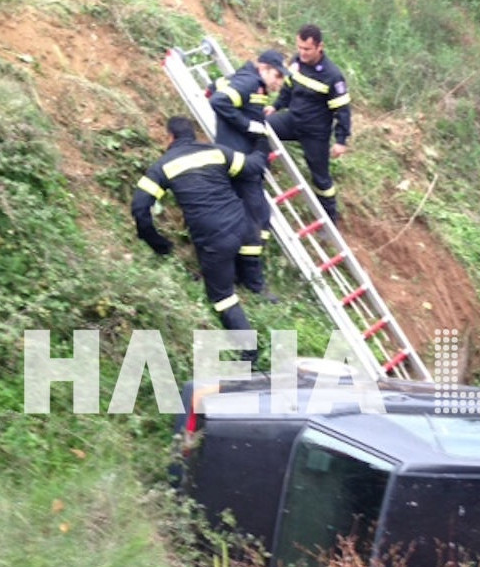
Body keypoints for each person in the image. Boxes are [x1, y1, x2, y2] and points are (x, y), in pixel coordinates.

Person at [131, 116, 270, 361]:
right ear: (193, 134)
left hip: (215, 238)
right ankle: (256, 287)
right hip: (243, 227)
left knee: (222, 296)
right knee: (244, 250)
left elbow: (140, 208)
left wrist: (157, 242)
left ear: (169, 137)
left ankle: (249, 351)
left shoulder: (164, 166)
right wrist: (262, 139)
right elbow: (254, 166)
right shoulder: (215, 152)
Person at [208, 50, 289, 299]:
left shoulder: (247, 81)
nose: (278, 83)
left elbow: (214, 88)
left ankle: (236, 273)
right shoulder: (249, 82)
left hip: (242, 158)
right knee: (257, 215)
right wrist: (247, 125)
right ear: (263, 68)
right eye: (276, 76)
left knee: (252, 217)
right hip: (240, 160)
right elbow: (219, 100)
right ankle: (252, 283)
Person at [266, 24, 351, 224]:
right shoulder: (297, 62)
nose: (302, 53)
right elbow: (288, 88)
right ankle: (259, 173)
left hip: (315, 133)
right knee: (263, 128)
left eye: (307, 49)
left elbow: (343, 111)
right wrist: (276, 106)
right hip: (292, 120)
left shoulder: (332, 76)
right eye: (299, 47)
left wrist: (341, 140)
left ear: (319, 47)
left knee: (321, 179)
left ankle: (330, 218)